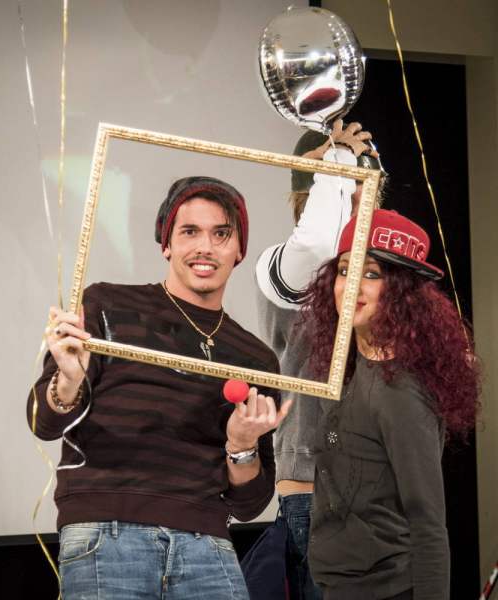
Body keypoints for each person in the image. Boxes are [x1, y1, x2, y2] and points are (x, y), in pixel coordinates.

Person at [27, 176, 292, 600]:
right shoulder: (105, 306)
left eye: (221, 234)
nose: (205, 247)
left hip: (207, 545)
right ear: (166, 244)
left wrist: (241, 446)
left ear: (239, 250)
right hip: (106, 535)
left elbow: (249, 505)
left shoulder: (255, 358)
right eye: (189, 232)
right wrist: (69, 381)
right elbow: (43, 423)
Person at [297, 209, 480, 599]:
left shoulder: (401, 394)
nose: (352, 286)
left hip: (389, 589)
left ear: (400, 292)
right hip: (339, 585)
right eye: (345, 270)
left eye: (371, 274)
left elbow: (428, 522)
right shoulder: (348, 369)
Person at [255, 120, 379, 599]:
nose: (362, 207)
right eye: (349, 192)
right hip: (314, 488)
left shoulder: (374, 278)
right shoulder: (284, 265)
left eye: (368, 194)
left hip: (380, 489)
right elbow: (316, 243)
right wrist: (337, 164)